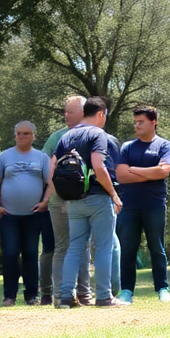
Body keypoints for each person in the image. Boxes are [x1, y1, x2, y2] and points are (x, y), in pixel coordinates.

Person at [52, 96, 125, 307]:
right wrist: (114, 194)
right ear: (101, 113)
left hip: (74, 200)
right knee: (103, 247)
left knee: (75, 247)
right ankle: (104, 296)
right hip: (98, 198)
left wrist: (64, 195)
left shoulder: (66, 136)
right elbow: (98, 166)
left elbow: (52, 168)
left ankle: (66, 296)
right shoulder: (97, 134)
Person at [114, 106, 170, 303]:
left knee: (157, 248)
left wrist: (133, 169)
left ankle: (163, 289)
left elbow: (163, 172)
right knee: (128, 249)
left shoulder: (164, 145)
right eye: (135, 122)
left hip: (154, 205)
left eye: (141, 122)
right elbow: (121, 176)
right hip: (129, 205)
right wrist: (151, 173)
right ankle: (126, 291)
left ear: (153, 122)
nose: (137, 125)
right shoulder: (127, 147)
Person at [0, 120, 52, 306]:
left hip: (33, 215)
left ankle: (31, 296)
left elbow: (51, 182)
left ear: (34, 136)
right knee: (10, 254)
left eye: (26, 133)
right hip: (8, 216)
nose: (21, 137)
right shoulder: (4, 157)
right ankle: (9, 296)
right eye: (18, 133)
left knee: (31, 254)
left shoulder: (42, 158)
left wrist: (45, 202)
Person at [42, 95, 91, 305]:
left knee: (83, 246)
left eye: (70, 111)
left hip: (84, 200)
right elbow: (46, 170)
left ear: (83, 112)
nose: (65, 115)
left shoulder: (92, 135)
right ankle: (61, 296)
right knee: (63, 246)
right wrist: (60, 192)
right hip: (59, 200)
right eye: (65, 111)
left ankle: (84, 294)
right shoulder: (56, 137)